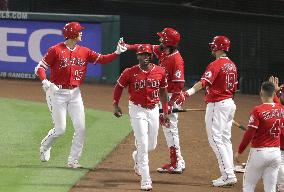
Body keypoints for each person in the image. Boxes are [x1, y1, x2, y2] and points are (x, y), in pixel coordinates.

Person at [34, 21, 127, 168]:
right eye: (79, 31)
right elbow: (40, 67)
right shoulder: (55, 50)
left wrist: (117, 53)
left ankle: (73, 161)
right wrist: (45, 81)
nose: (82, 33)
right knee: (60, 129)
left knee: (81, 127)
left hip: (75, 93)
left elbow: (102, 59)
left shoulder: (84, 51)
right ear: (72, 34)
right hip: (56, 93)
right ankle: (45, 147)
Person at [173, 35, 238, 186]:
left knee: (215, 140)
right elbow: (233, 87)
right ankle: (230, 172)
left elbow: (203, 83)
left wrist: (186, 93)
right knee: (225, 140)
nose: (211, 47)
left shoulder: (216, 64)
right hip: (229, 103)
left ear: (217, 48)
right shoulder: (232, 65)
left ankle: (228, 175)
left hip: (218, 104)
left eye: (213, 45)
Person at [124, 27, 186, 174]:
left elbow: (179, 85)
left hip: (170, 97)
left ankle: (176, 163)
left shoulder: (176, 60)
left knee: (170, 130)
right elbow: (146, 46)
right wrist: (128, 47)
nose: (159, 40)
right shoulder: (163, 51)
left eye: (161, 38)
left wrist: (170, 105)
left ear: (167, 41)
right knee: (169, 130)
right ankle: (178, 161)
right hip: (163, 97)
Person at [113, 44, 169, 191]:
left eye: (148, 54)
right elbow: (119, 87)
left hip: (153, 110)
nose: (145, 57)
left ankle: (136, 156)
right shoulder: (129, 72)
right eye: (142, 54)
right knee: (143, 144)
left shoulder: (160, 71)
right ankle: (146, 180)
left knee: (152, 145)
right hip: (137, 110)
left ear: (151, 56)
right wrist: (115, 104)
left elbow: (163, 91)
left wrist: (165, 110)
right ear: (137, 56)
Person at [234, 81, 283, 192]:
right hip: (276, 153)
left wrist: (239, 151)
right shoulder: (281, 109)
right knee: (270, 188)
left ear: (261, 93)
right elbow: (277, 106)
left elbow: (249, 134)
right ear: (273, 93)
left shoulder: (258, 110)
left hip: (259, 153)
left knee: (249, 185)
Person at [269, 76, 284, 192]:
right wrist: (277, 91)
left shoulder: (279, 108)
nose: (280, 95)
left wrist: (275, 92)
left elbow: (275, 102)